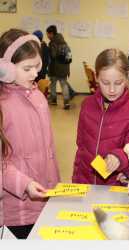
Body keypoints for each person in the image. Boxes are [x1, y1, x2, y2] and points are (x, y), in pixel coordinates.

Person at [0, 29, 60, 239]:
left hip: (44, 199)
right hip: (17, 209)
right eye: (27, 68)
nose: (35, 74)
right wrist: (24, 184)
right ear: (4, 69)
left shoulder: (39, 98)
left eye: (37, 66)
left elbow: (48, 151)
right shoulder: (3, 106)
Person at [72, 48, 129, 185]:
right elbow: (81, 148)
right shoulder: (87, 105)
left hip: (116, 186)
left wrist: (119, 157)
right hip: (86, 181)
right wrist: (77, 181)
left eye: (118, 83)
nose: (112, 90)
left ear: (128, 76)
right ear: (96, 77)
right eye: (105, 83)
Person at [46, 25, 75, 109]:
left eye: (48, 34)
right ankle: (66, 103)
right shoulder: (64, 42)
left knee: (53, 84)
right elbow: (69, 57)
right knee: (64, 85)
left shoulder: (53, 43)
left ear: (51, 33)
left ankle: (54, 100)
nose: (47, 36)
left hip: (55, 67)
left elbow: (53, 55)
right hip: (64, 68)